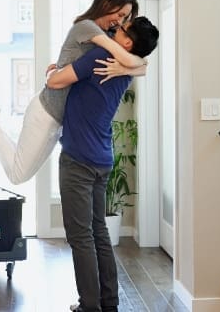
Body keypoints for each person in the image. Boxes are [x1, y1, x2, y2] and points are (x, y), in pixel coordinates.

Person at [0, 0, 147, 185]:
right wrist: (127, 64)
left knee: (20, 168)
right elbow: (127, 56)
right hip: (46, 112)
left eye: (125, 18)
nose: (120, 22)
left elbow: (144, 66)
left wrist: (124, 69)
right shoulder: (87, 28)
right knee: (17, 175)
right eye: (120, 14)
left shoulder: (106, 33)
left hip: (57, 119)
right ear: (107, 3)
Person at [46, 16, 159, 312]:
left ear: (127, 42)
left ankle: (90, 306)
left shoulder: (103, 55)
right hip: (101, 158)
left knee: (81, 237)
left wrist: (52, 73)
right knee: (98, 233)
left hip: (78, 158)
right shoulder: (130, 67)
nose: (114, 29)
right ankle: (108, 303)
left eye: (120, 29)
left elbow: (56, 81)